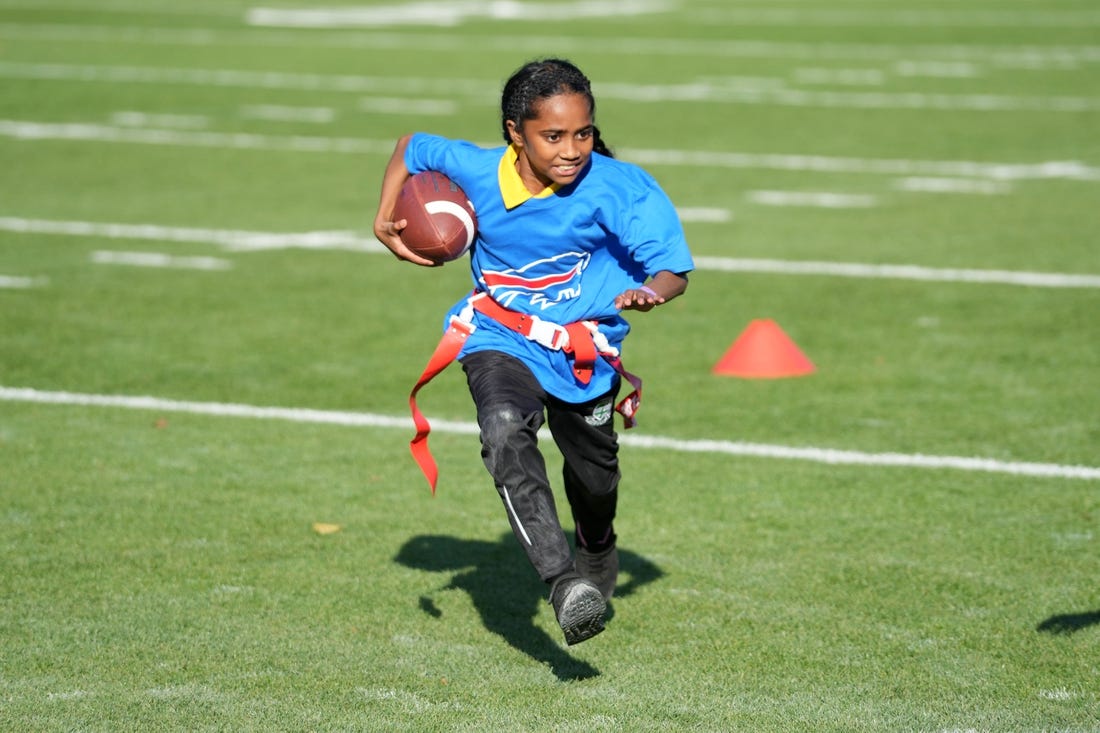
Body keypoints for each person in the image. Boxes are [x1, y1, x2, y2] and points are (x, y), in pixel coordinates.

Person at [373, 58, 694, 645]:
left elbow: (673, 268)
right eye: (553, 136)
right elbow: (411, 146)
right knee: (502, 433)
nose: (572, 149)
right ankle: (563, 583)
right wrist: (383, 217)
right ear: (515, 132)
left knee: (595, 481)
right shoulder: (476, 169)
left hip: (583, 351)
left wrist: (652, 290)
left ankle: (596, 546)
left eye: (584, 133)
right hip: (501, 335)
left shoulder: (620, 186)